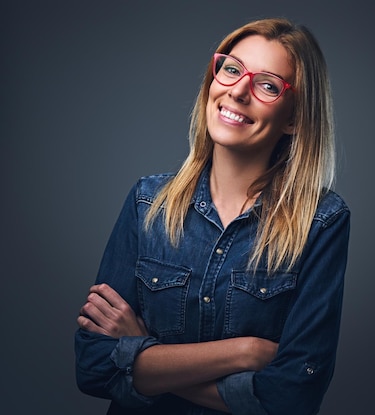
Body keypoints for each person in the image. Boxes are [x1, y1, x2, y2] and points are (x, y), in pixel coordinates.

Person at [74, 17, 350, 415]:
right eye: (232, 69)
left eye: (268, 85)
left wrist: (144, 357)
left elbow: (291, 400)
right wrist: (245, 352)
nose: (238, 91)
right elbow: (94, 368)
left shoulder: (321, 222)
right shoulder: (147, 203)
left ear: (294, 119)